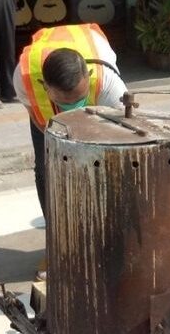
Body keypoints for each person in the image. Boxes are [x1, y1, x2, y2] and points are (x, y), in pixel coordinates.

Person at [14, 23, 128, 216]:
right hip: (50, 118)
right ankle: (54, 227)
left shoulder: (108, 83)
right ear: (45, 87)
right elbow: (37, 118)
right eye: (64, 101)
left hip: (99, 117)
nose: (73, 105)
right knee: (45, 169)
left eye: (79, 97)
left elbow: (125, 131)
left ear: (89, 77)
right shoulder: (23, 78)